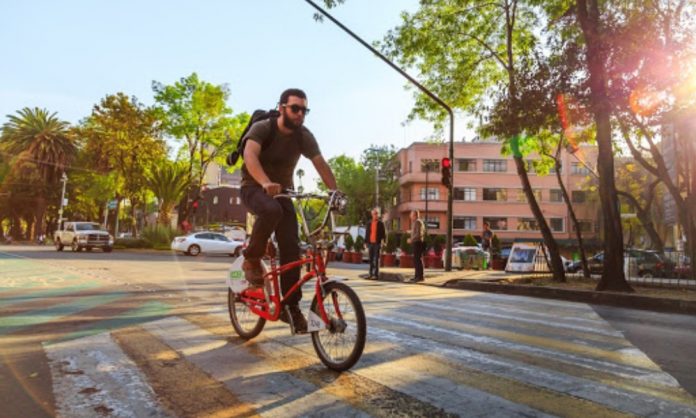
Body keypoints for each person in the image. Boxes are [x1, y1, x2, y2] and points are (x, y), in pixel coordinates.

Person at [240, 88, 337, 332]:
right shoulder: (264, 128)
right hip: (253, 187)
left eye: (304, 110)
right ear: (282, 107)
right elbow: (250, 155)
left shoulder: (303, 136)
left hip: (284, 193)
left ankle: (291, 306)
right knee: (271, 211)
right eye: (295, 108)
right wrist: (264, 182)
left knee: (291, 246)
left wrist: (336, 192)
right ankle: (251, 258)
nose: (300, 114)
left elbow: (320, 164)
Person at [365, 208, 386, 279]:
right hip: (370, 244)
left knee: (376, 259)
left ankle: (376, 275)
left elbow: (384, 234)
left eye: (377, 214)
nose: (376, 215)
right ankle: (370, 274)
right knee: (370, 259)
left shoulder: (381, 223)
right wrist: (365, 242)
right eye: (374, 214)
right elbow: (367, 233)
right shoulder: (369, 223)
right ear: (372, 215)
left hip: (377, 243)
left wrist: (384, 242)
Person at [407, 210, 425, 282]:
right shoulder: (415, 222)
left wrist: (411, 239)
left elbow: (419, 234)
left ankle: (420, 277)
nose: (410, 216)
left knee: (417, 260)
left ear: (415, 215)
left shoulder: (418, 222)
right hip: (416, 242)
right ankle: (417, 276)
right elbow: (416, 232)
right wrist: (410, 232)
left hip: (417, 242)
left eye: (411, 214)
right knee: (416, 260)